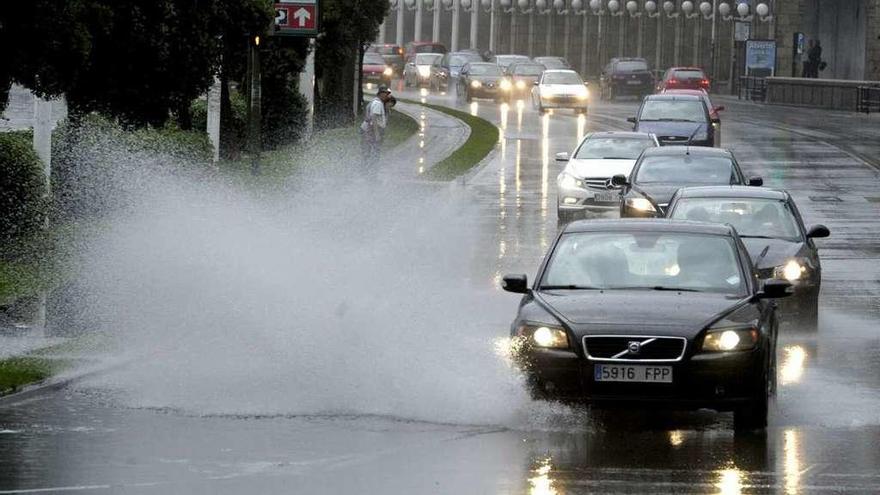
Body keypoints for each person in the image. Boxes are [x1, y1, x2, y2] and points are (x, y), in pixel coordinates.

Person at [361, 85, 392, 172]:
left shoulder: (375, 102)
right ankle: (370, 172)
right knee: (374, 152)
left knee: (369, 151)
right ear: (381, 93)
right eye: (386, 93)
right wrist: (377, 133)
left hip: (370, 130)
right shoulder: (378, 103)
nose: (387, 95)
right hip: (373, 130)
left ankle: (368, 170)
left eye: (387, 93)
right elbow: (374, 118)